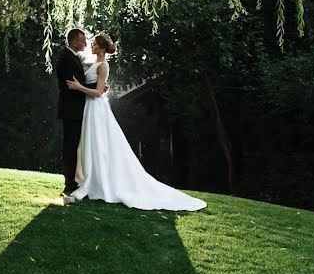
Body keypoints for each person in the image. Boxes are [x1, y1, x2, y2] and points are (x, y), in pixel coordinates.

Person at [66, 33, 206, 211]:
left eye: (93, 44)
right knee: (91, 142)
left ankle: (101, 181)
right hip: (90, 107)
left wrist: (79, 87)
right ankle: (93, 178)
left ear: (101, 48)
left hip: (96, 107)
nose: (90, 46)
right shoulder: (95, 64)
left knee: (100, 142)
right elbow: (98, 86)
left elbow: (98, 92)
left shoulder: (103, 66)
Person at [54, 28, 88, 196]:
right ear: (74, 41)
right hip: (71, 109)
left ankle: (73, 181)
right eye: (83, 41)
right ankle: (69, 183)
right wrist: (95, 89)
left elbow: (78, 82)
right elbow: (73, 86)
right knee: (70, 146)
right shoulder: (66, 58)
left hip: (75, 109)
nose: (85, 43)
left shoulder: (71, 57)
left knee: (73, 145)